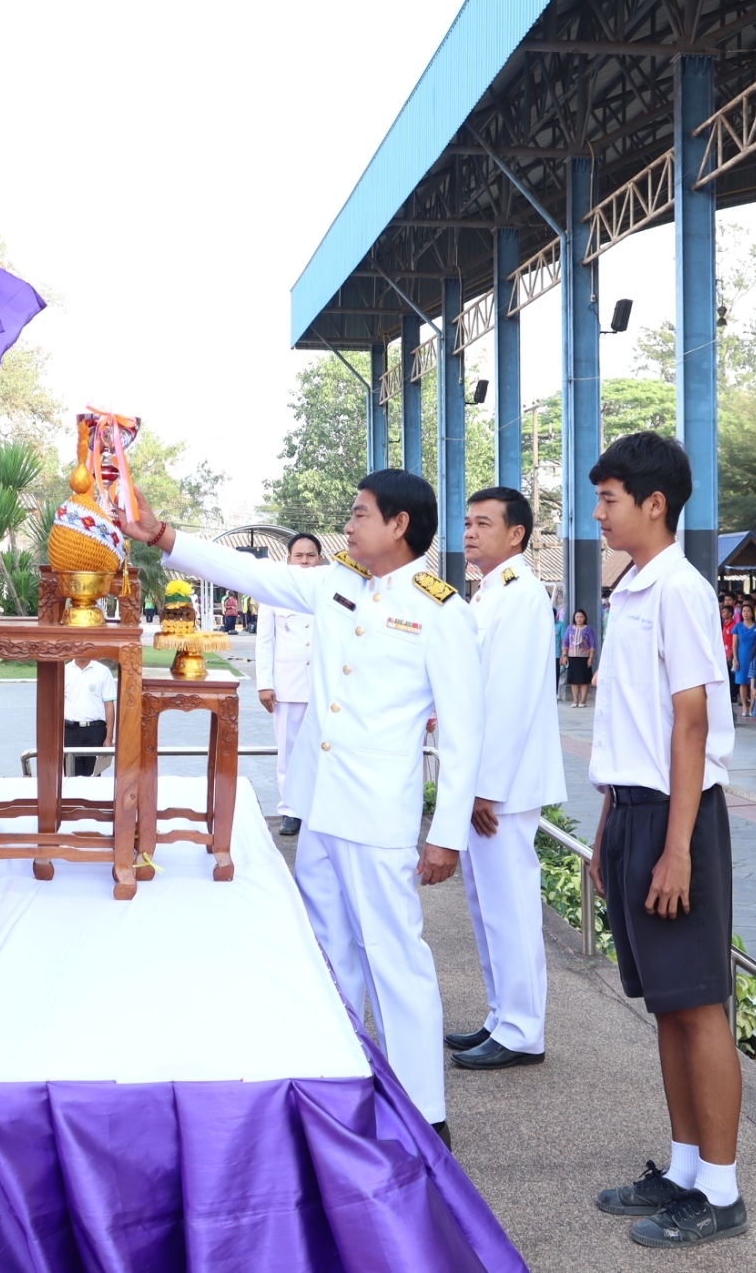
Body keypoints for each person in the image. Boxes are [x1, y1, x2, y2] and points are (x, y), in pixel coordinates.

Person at [120, 469, 482, 1145]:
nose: (348, 526)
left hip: (379, 813)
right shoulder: (337, 582)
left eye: (360, 513)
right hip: (322, 806)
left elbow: (464, 732)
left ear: (399, 525)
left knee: (394, 955)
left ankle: (425, 1112)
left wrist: (447, 834)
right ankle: (341, 1082)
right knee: (330, 951)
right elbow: (248, 573)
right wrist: (165, 535)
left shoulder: (441, 611)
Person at [585, 433, 747, 1247]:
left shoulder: (680, 588)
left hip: (679, 815)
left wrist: (677, 845)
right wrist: (613, 824)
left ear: (656, 503)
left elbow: (691, 722)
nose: (599, 512)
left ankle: (720, 1189)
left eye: (610, 498)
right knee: (668, 1008)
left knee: (699, 1004)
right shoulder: (634, 588)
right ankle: (684, 1167)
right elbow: (632, 725)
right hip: (640, 810)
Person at [447, 487, 564, 1071]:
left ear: (516, 534)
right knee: (486, 903)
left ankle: (522, 1030)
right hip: (486, 779)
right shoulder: (491, 592)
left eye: (483, 523)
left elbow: (510, 698)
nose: (469, 532)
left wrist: (485, 786)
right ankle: (501, 1015)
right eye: (467, 523)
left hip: (504, 783)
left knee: (510, 904)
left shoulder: (519, 596)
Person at [255, 532, 323, 837]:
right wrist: (264, 684)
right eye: (300, 555)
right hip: (288, 685)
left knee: (324, 749)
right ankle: (291, 810)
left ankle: (318, 810)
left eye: (311, 556)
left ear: (320, 559)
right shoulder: (274, 592)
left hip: (324, 687)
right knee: (289, 750)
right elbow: (264, 641)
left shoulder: (332, 591)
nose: (305, 561)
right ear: (289, 559)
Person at [61, 652, 116, 778]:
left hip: (95, 731)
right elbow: (57, 704)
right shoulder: (64, 671)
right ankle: (73, 798)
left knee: (93, 776)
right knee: (71, 776)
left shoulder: (103, 671)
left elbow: (109, 706)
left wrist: (109, 738)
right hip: (70, 731)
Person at [562, 609, 597, 707]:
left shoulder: (588, 629)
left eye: (581, 617)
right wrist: (564, 655)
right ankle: (575, 700)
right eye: (577, 617)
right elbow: (565, 643)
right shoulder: (570, 628)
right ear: (574, 618)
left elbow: (592, 644)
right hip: (572, 657)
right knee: (574, 680)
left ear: (584, 618)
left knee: (584, 680)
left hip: (584, 657)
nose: (579, 619)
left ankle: (583, 701)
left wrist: (591, 657)